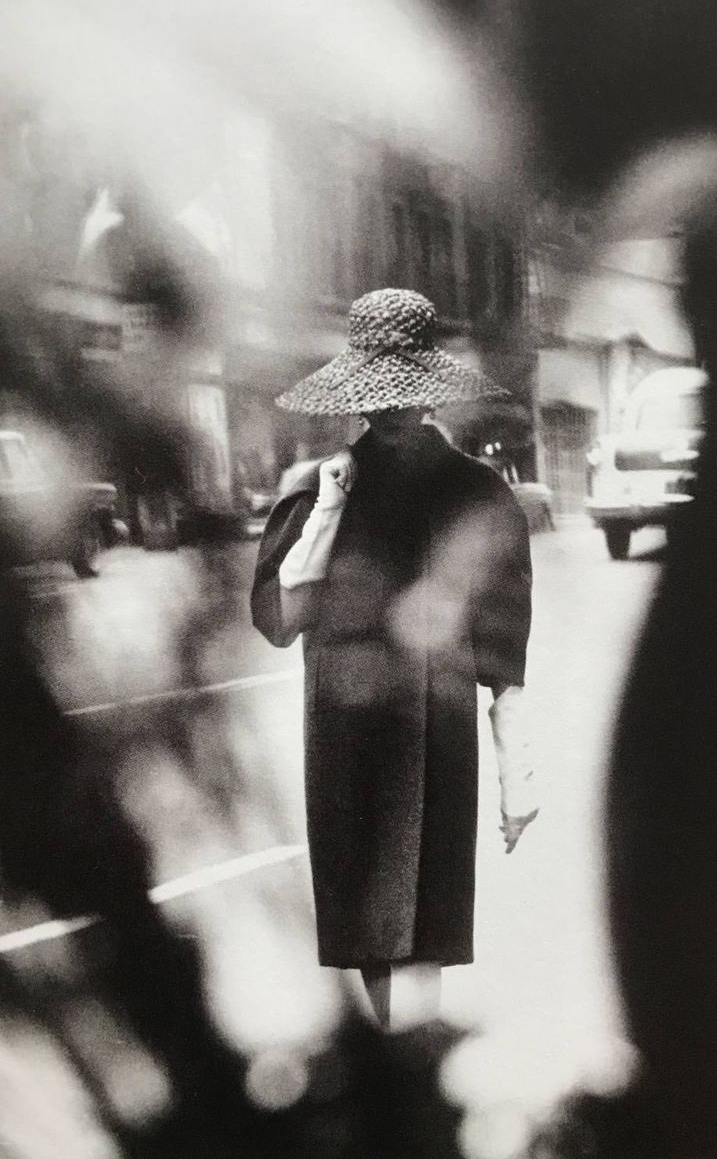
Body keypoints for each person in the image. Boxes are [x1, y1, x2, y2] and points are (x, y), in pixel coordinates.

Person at [251, 288, 538, 1028]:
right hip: (345, 735)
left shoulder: (475, 494)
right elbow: (279, 618)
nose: (392, 412)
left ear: (430, 393)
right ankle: (398, 1064)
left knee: (422, 931)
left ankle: (406, 1080)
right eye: (378, 398)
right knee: (370, 930)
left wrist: (518, 773)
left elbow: (503, 652)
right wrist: (323, 512)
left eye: (404, 396)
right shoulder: (315, 490)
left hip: (434, 734)